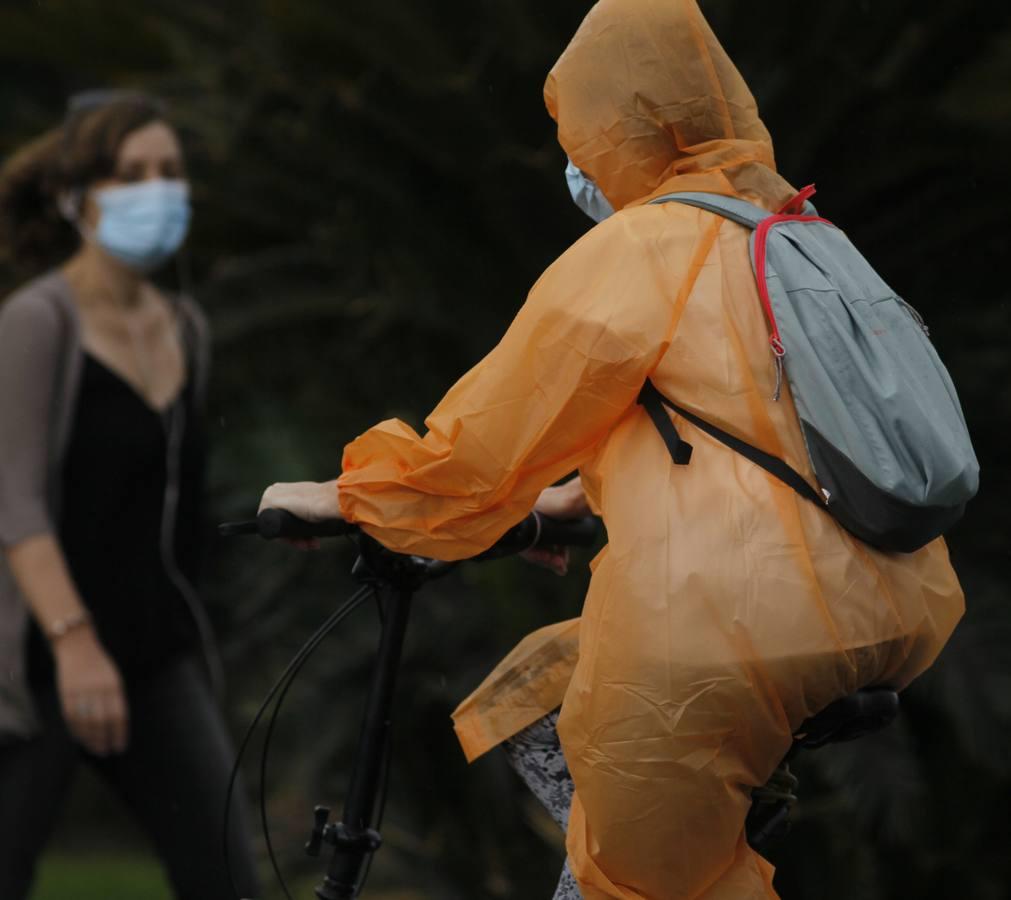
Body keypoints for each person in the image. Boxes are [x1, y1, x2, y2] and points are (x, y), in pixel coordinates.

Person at [258, 1, 966, 897]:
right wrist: (575, 502)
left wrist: (351, 494)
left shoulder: (644, 244)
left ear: (615, 123)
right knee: (548, 697)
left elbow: (482, 449)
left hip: (737, 625)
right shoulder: (794, 234)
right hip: (894, 603)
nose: (576, 156)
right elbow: (745, 425)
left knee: (646, 881)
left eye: (579, 129)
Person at [0, 91, 259, 899]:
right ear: (77, 194)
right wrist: (75, 644)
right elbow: (13, 499)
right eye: (131, 173)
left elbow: (174, 494)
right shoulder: (37, 321)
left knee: (227, 877)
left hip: (152, 656)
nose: (157, 190)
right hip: (39, 662)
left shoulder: (185, 326)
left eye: (171, 172)